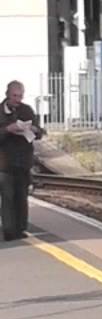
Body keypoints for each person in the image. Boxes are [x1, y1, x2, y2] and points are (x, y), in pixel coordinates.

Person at [0, 81, 43, 240]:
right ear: (7, 94)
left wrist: (34, 130)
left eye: (20, 96)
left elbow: (39, 131)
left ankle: (21, 228)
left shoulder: (27, 110)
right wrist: (7, 130)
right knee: (7, 196)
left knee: (21, 196)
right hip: (4, 162)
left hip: (23, 161)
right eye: (15, 96)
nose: (18, 99)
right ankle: (9, 231)